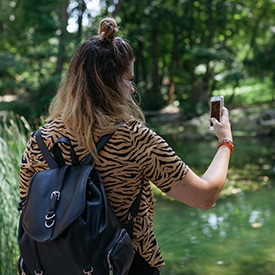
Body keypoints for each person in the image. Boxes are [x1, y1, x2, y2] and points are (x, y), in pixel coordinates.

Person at [19, 17, 233, 275]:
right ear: (110, 84)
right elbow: (204, 196)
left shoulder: (40, 141)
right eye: (128, 79)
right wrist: (225, 142)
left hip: (55, 267)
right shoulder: (134, 139)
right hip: (126, 266)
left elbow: (28, 210)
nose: (131, 89)